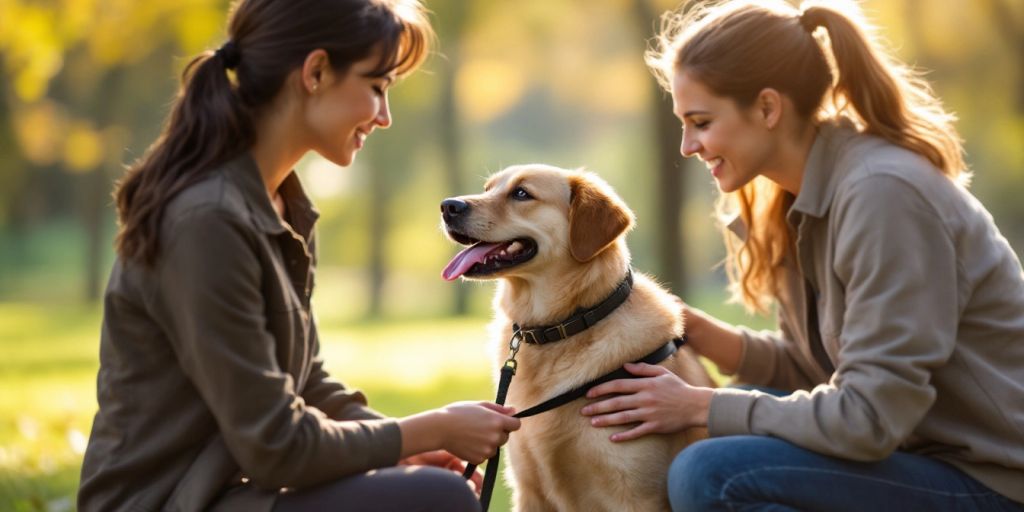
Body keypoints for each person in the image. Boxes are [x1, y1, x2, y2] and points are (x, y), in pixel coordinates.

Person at [580, 0, 1024, 510]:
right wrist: (699, 332)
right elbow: (822, 371)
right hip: (917, 454)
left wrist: (701, 404)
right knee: (718, 438)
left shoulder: (884, 196)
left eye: (701, 121)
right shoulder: (800, 197)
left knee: (711, 471)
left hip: (993, 479)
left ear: (768, 108)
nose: (687, 146)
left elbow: (868, 418)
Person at [78, 1, 520, 511]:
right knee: (436, 498)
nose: (384, 116)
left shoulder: (279, 204)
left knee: (428, 489)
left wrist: (400, 447)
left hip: (235, 492)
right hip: (169, 501)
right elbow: (276, 447)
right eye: (376, 87)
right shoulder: (207, 221)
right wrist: (422, 431)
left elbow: (303, 382)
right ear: (315, 72)